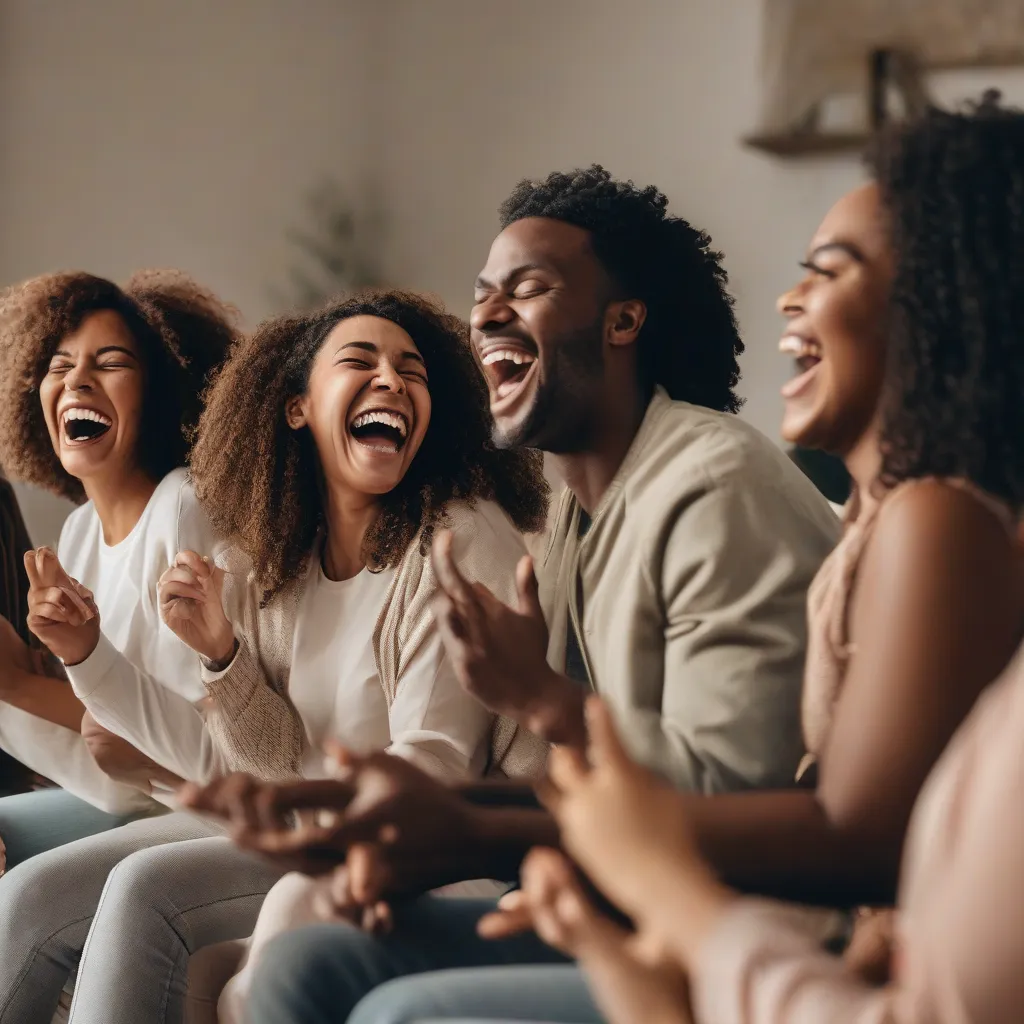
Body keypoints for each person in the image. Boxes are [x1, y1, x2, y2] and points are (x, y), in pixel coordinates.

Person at [183, 165, 839, 1023]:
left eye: (526, 289)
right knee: (302, 966)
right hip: (613, 899)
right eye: (483, 293)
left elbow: (720, 802)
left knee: (378, 1003)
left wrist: (527, 725)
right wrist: (417, 821)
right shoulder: (573, 517)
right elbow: (582, 786)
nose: (485, 315)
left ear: (623, 320)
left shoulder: (712, 485)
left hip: (730, 930)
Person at [420, 95, 1024, 1024]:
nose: (789, 296)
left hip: (772, 941)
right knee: (315, 959)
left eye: (832, 270)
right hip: (744, 934)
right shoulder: (577, 519)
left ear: (941, 307)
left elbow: (845, 836)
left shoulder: (916, 517)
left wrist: (501, 766)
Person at [54, 290, 548, 1024]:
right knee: (183, 939)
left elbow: (438, 763)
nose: (392, 380)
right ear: (297, 408)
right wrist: (222, 657)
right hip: (331, 835)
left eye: (412, 371)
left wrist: (286, 809)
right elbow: (268, 761)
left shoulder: (458, 538)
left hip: (465, 855)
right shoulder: (271, 566)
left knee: (187, 908)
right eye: (361, 360)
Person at [0, 269, 255, 1024]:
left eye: (110, 362)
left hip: (209, 804)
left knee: (29, 897)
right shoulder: (78, 532)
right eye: (58, 364)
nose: (78, 377)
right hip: (145, 799)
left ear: (164, 390)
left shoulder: (183, 508)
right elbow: (112, 774)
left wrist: (19, 682)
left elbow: (176, 750)